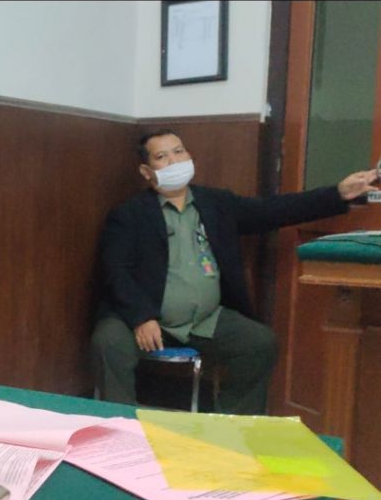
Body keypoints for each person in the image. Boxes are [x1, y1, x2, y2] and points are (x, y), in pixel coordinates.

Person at [91, 129, 380, 415]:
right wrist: (141, 317)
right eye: (162, 156)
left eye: (179, 151)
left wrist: (338, 194)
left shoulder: (216, 204)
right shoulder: (128, 214)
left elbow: (274, 210)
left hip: (205, 320)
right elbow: (117, 271)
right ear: (146, 171)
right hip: (148, 319)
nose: (174, 161)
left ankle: (232, 424)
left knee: (259, 343)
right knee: (108, 341)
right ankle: (118, 423)